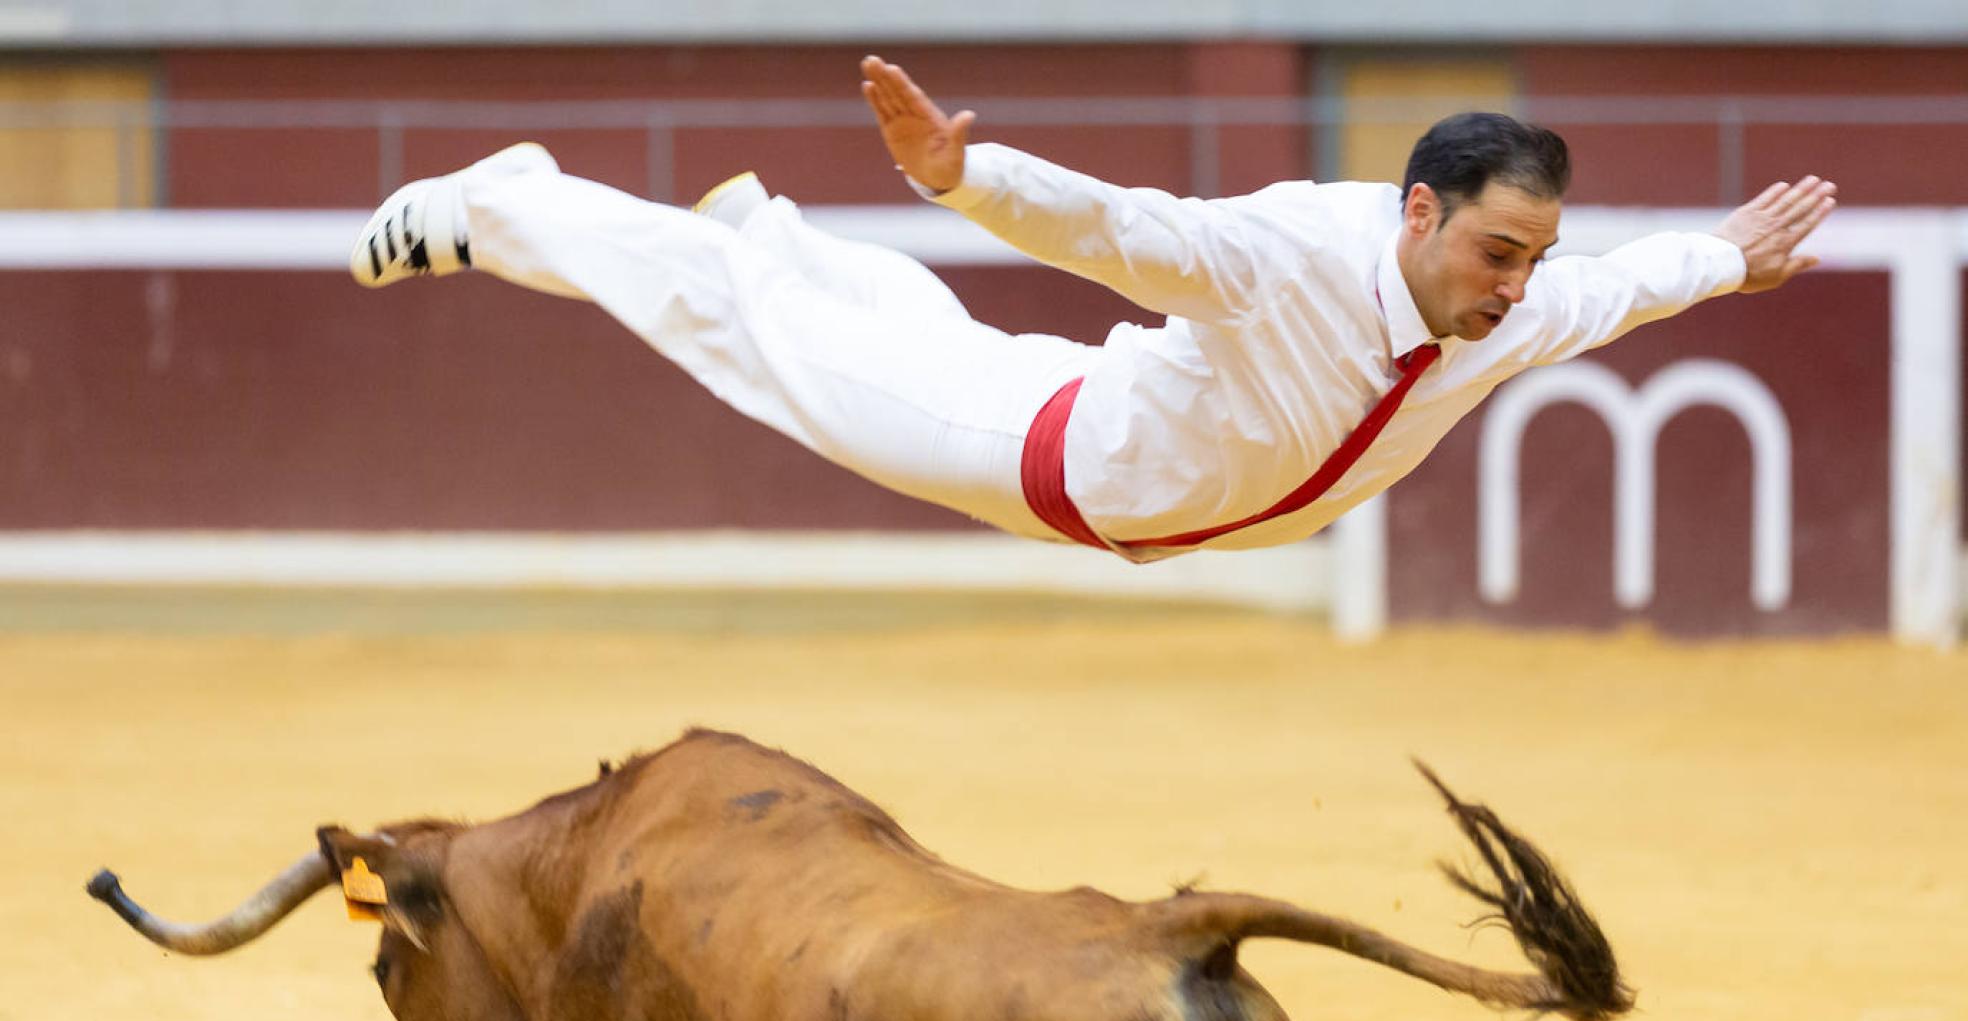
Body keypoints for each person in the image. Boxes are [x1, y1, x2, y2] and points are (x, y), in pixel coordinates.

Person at [350, 55, 1835, 561]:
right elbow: (1130, 229)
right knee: (759, 347)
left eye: (1534, 258)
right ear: (1419, 213)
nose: (1520, 290)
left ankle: (771, 232)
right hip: (1036, 456)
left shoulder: (1510, 305)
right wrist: (964, 173)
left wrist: (1732, 254)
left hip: (1095, 433)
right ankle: (506, 202)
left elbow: (1621, 287)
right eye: (1501, 252)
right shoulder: (1287, 260)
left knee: (886, 323)